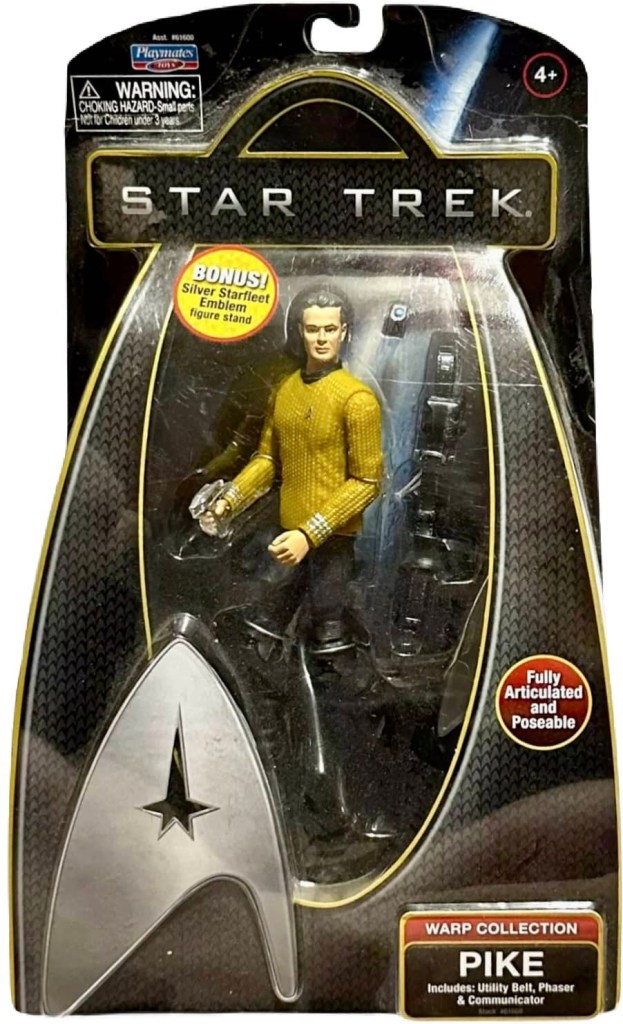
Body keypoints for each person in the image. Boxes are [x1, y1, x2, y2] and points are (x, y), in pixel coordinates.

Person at [200, 284, 384, 654]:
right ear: (300, 331)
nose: (321, 338)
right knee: (263, 623)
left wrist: (309, 534)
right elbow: (267, 459)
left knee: (328, 634)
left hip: (330, 542)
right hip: (287, 538)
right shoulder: (285, 391)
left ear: (344, 331)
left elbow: (367, 482)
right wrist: (228, 501)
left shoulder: (357, 399)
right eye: (313, 329)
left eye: (330, 329)